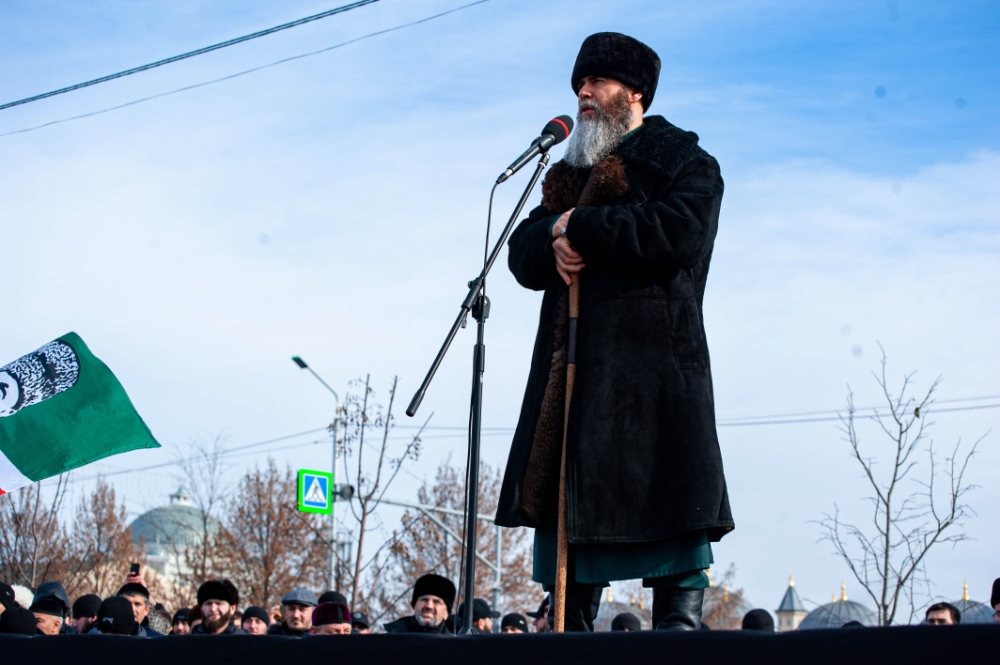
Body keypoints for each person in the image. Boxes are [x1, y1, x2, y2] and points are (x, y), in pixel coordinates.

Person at [496, 31, 732, 633]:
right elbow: (520, 253)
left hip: (655, 382)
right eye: (579, 83)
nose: (584, 93)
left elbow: (679, 232)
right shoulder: (566, 172)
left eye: (597, 82)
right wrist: (552, 235)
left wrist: (584, 226)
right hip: (573, 385)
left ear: (634, 92)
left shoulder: (685, 162)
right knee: (570, 589)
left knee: (674, 547)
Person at [383, 573, 456, 634]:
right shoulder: (392, 641)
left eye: (436, 602)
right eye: (424, 600)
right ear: (414, 605)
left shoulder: (458, 645)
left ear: (446, 613)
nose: (429, 606)